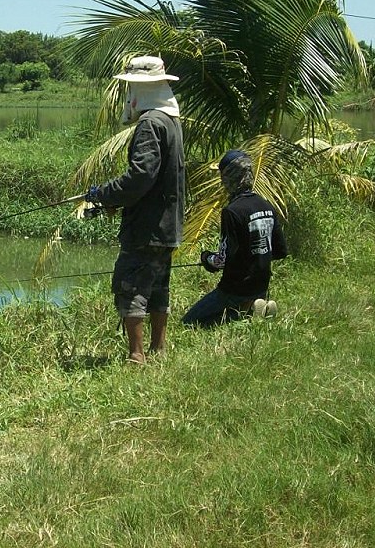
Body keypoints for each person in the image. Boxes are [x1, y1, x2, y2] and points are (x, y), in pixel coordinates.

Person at [85, 55, 184, 364]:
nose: (128, 96)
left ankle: (136, 356)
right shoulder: (171, 122)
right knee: (158, 287)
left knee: (131, 287)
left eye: (131, 89)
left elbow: (141, 175)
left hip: (147, 226)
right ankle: (158, 349)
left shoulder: (150, 124)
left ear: (142, 90)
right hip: (168, 225)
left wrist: (104, 194)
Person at [181, 149, 288, 327]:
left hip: (235, 288)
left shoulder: (232, 211)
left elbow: (222, 261)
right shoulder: (266, 206)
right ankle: (255, 305)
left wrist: (206, 258)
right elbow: (280, 251)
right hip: (261, 286)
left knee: (190, 323)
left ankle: (247, 310)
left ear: (228, 178)